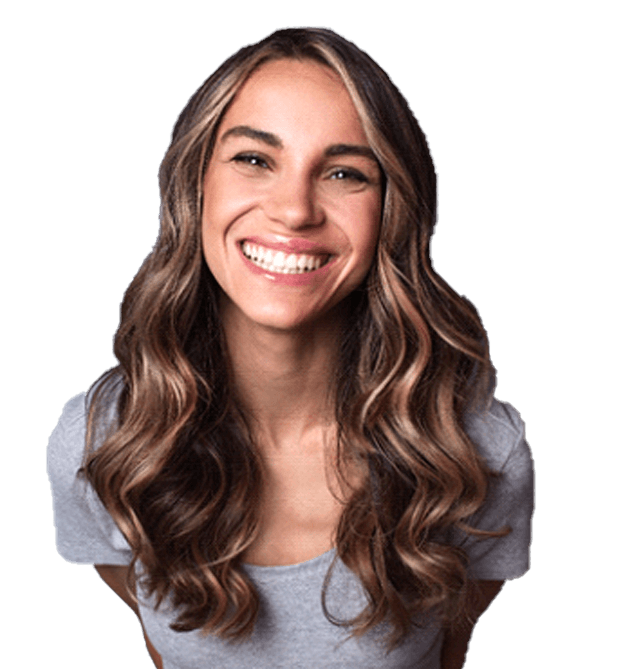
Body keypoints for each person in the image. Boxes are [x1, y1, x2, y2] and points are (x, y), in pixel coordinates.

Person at [46, 26, 535, 669]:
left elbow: (451, 650)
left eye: (344, 172)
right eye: (254, 159)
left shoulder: (475, 452)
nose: (295, 209)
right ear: (196, 187)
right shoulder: (101, 444)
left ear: (393, 210)